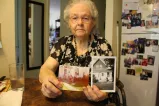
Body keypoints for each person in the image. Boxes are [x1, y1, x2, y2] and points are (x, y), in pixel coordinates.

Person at [39, 0, 113, 103]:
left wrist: (103, 94)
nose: (80, 23)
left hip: (93, 103)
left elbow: (106, 86)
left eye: (85, 18)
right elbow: (46, 68)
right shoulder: (62, 44)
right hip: (64, 101)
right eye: (74, 18)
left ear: (93, 22)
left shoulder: (103, 45)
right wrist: (47, 79)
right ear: (68, 22)